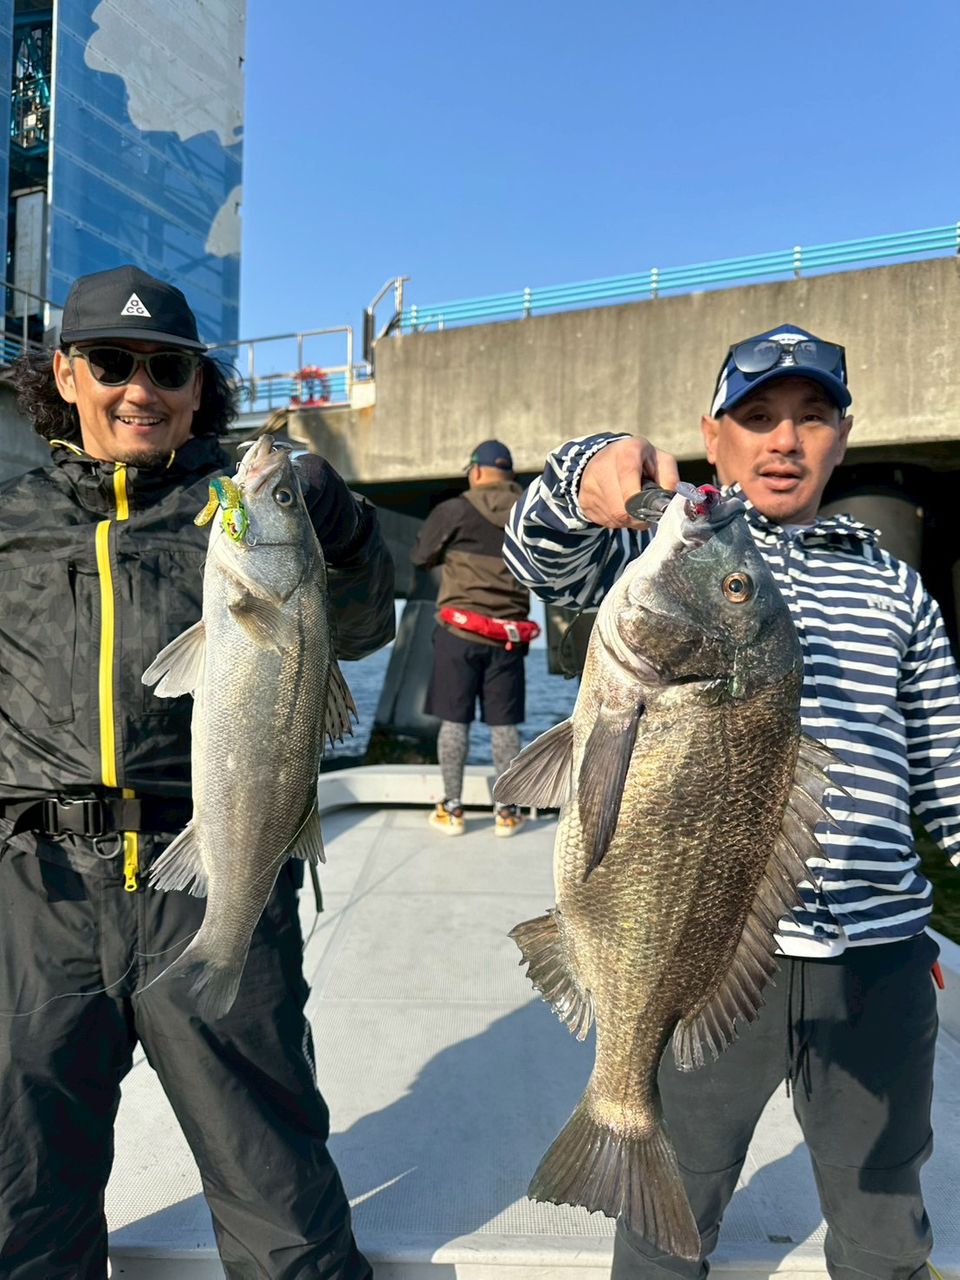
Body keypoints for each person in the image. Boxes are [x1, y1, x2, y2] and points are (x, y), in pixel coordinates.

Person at [503, 324, 960, 1280]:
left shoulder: (898, 588)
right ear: (715, 437)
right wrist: (587, 470)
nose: (784, 440)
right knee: (674, 1220)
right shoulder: (661, 552)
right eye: (757, 418)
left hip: (878, 960)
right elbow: (539, 553)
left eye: (811, 417)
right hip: (703, 960)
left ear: (845, 435)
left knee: (886, 1223)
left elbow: (949, 773)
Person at [0, 264, 395, 1279]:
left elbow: (358, 627)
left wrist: (341, 530)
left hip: (214, 854)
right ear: (66, 373)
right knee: (21, 1199)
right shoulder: (11, 515)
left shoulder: (238, 504)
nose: (142, 387)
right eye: (114, 362)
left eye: (167, 367)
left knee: (281, 1202)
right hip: (32, 889)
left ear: (197, 386)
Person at [411, 439, 539, 837]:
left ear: (477, 471)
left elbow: (420, 556)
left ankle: (452, 809)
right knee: (504, 727)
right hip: (508, 638)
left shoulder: (454, 510)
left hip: (459, 634)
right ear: (510, 475)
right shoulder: (529, 514)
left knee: (455, 723)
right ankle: (507, 811)